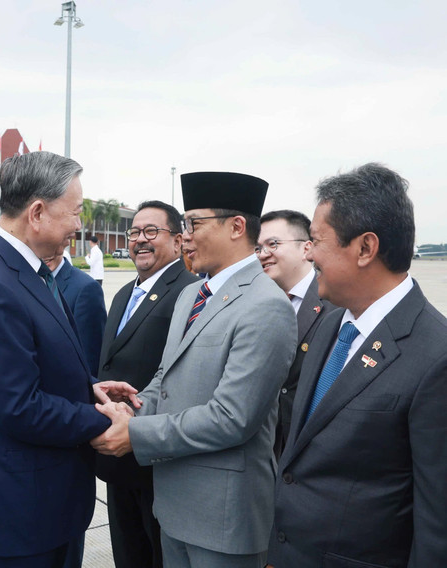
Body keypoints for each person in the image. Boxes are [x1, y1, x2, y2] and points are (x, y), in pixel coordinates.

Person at [92, 171, 296, 568]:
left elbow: (232, 417)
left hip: (223, 518)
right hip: (173, 506)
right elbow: (164, 378)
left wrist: (134, 433)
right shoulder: (192, 295)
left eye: (194, 224)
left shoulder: (265, 305)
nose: (185, 236)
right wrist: (133, 404)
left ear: (237, 227)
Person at [267, 163, 447, 567]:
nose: (307, 253)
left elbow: (438, 524)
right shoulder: (330, 323)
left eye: (316, 240)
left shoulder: (436, 356)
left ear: (365, 248)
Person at [0, 151, 115, 567]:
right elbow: (18, 406)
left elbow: (40, 362)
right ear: (38, 212)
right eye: (75, 212)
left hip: (43, 502)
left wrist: (90, 390)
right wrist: (107, 420)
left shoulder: (26, 271)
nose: (79, 225)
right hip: (18, 513)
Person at [96, 200, 199, 568]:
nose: (141, 240)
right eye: (135, 232)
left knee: (157, 554)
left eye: (151, 231)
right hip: (116, 451)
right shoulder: (124, 293)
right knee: (127, 551)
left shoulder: (191, 292)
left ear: (177, 240)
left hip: (155, 455)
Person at [43, 241, 108, 568]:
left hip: (69, 424)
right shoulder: (24, 283)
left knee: (66, 524)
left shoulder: (83, 289)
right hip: (37, 422)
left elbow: (88, 366)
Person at [257, 210, 337, 460]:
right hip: (261, 450)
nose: (263, 254)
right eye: (257, 248)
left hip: (307, 450)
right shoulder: (257, 304)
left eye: (273, 244)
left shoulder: (334, 304)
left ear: (306, 249)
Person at [44, 246, 107, 376]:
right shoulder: (28, 280)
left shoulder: (86, 288)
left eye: (51, 245)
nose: (46, 252)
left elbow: (89, 357)